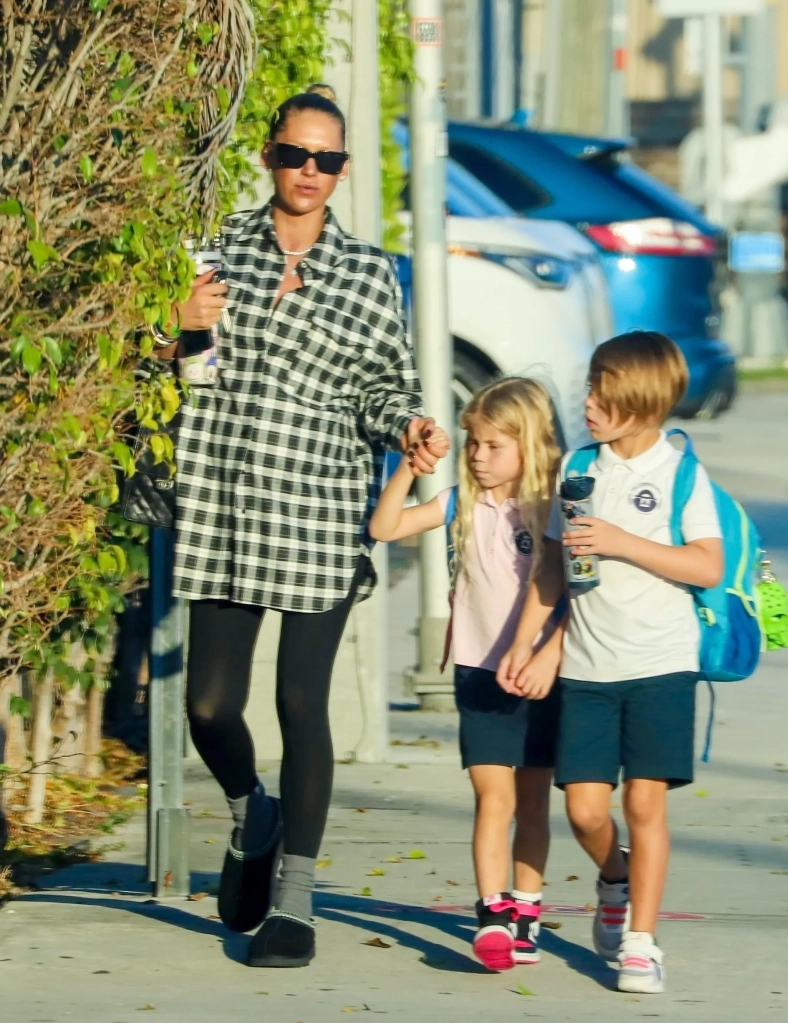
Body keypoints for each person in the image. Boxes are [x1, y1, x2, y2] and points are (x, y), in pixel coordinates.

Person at [153, 91, 444, 969]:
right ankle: (254, 814)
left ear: (343, 171)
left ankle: (296, 900)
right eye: (295, 154)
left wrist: (408, 426)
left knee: (299, 703)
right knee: (209, 705)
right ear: (269, 156)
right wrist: (174, 328)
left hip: (320, 507)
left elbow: (384, 385)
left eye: (328, 160)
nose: (309, 172)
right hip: (225, 502)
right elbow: (163, 369)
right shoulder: (216, 249)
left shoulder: (367, 272)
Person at [498, 332, 724, 994]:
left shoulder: (681, 474)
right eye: (590, 389)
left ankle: (641, 943)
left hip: (661, 663)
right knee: (586, 811)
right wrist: (523, 642)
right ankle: (616, 877)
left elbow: (706, 565)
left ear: (644, 403)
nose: (589, 404)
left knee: (646, 803)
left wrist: (624, 542)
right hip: (588, 668)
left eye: (603, 394)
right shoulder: (579, 466)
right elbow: (552, 569)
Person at [370, 378, 566, 972]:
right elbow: (384, 529)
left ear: (529, 445)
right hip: (478, 671)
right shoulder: (462, 502)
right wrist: (408, 470)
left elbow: (567, 591)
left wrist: (545, 653)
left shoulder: (553, 510)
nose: (478, 456)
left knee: (532, 802)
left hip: (539, 677)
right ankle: (493, 914)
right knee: (492, 798)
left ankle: (527, 907)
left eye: (493, 446)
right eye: (472, 443)